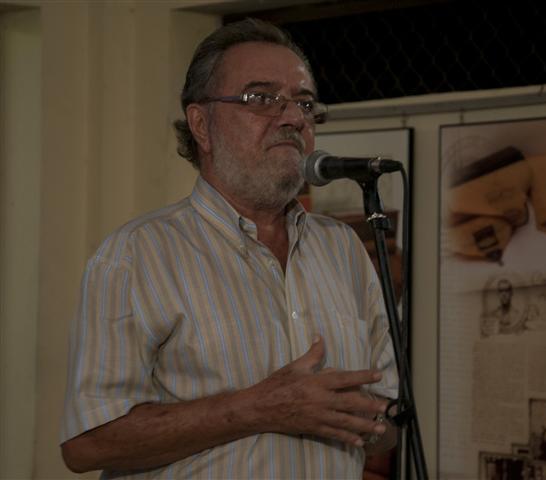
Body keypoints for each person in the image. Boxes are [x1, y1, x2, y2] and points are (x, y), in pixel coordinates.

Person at [60, 18, 398, 479]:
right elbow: (88, 443)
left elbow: (391, 422)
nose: (294, 118)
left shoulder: (343, 249)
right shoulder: (136, 255)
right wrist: (260, 408)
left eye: (304, 103)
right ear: (201, 124)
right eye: (262, 99)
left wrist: (370, 419)